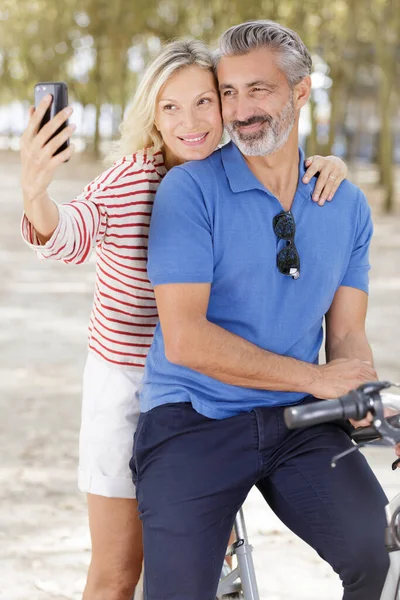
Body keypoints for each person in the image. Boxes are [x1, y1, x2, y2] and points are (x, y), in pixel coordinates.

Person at [20, 39, 348, 600]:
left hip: (209, 391)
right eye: (170, 107)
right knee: (118, 572)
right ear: (152, 113)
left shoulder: (241, 174)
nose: (190, 121)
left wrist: (329, 163)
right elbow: (69, 235)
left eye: (204, 102)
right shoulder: (132, 182)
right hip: (127, 386)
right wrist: (34, 191)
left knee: (208, 575)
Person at [133, 21, 390, 600]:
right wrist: (320, 379)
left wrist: (359, 393)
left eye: (259, 90)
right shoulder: (189, 190)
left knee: (381, 555)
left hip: (299, 423)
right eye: (228, 92)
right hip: (191, 419)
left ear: (300, 93)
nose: (241, 110)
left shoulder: (344, 203)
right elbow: (186, 341)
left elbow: (347, 334)